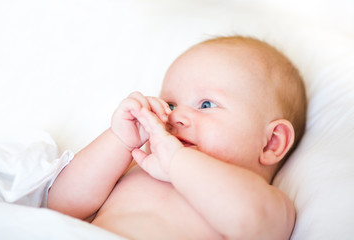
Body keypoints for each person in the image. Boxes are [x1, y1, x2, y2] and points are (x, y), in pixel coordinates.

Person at [47, 36, 307, 239]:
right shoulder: (137, 166)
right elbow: (60, 205)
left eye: (206, 104)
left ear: (272, 142)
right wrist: (120, 140)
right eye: (170, 104)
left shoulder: (264, 200)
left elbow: (252, 223)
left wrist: (177, 163)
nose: (176, 116)